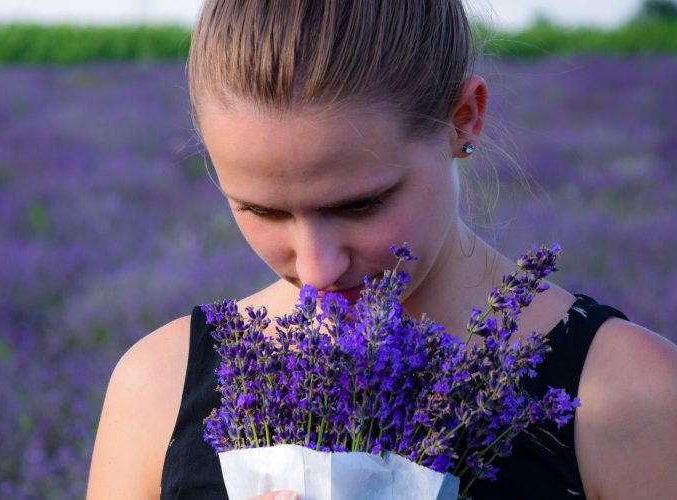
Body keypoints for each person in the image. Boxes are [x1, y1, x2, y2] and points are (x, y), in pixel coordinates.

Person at [86, 1, 677, 498]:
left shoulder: (634, 396)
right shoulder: (158, 385)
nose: (318, 270)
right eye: (263, 210)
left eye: (359, 204)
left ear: (463, 119)